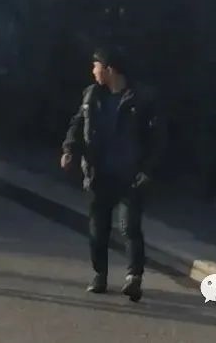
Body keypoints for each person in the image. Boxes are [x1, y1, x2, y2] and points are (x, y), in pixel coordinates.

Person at [60, 45, 165, 302]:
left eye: (96, 66)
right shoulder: (91, 96)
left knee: (130, 227)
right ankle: (100, 275)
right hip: (100, 172)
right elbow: (77, 124)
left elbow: (156, 139)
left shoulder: (140, 99)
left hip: (131, 174)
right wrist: (70, 150)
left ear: (109, 69)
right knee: (98, 229)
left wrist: (148, 169)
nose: (93, 70)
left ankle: (134, 278)